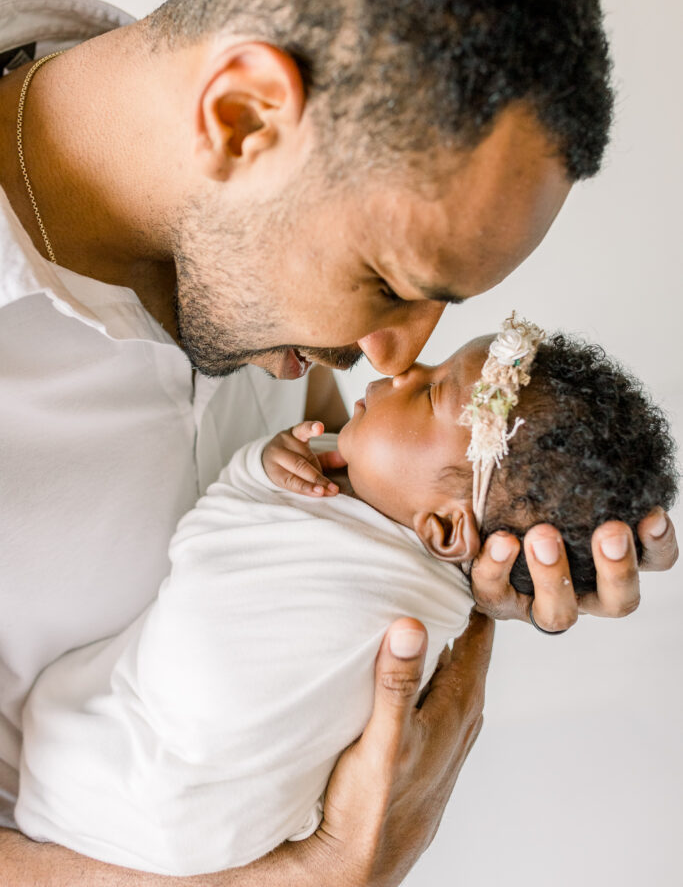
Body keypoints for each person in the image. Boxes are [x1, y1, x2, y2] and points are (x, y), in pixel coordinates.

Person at [0, 0, 677, 883]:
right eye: (391, 283)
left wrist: (438, 551)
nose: (397, 353)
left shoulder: (250, 284)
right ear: (240, 118)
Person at [14, 317, 678, 876]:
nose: (398, 366)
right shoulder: (386, 517)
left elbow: (227, 532)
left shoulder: (395, 583)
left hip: (149, 800)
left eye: (425, 396)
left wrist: (266, 467)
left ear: (444, 530)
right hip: (135, 810)